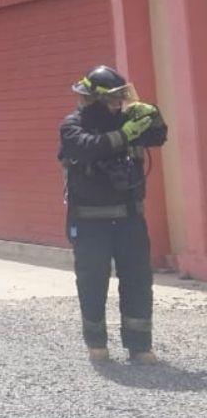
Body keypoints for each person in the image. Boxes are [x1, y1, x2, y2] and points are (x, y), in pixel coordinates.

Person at [58, 65, 168, 364]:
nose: (119, 104)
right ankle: (97, 344)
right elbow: (89, 147)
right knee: (92, 281)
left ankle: (140, 346)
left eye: (122, 98)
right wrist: (124, 134)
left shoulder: (126, 120)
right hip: (90, 221)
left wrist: (151, 113)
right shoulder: (73, 125)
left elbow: (158, 136)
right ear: (92, 99)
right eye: (113, 99)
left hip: (130, 219)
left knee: (138, 280)